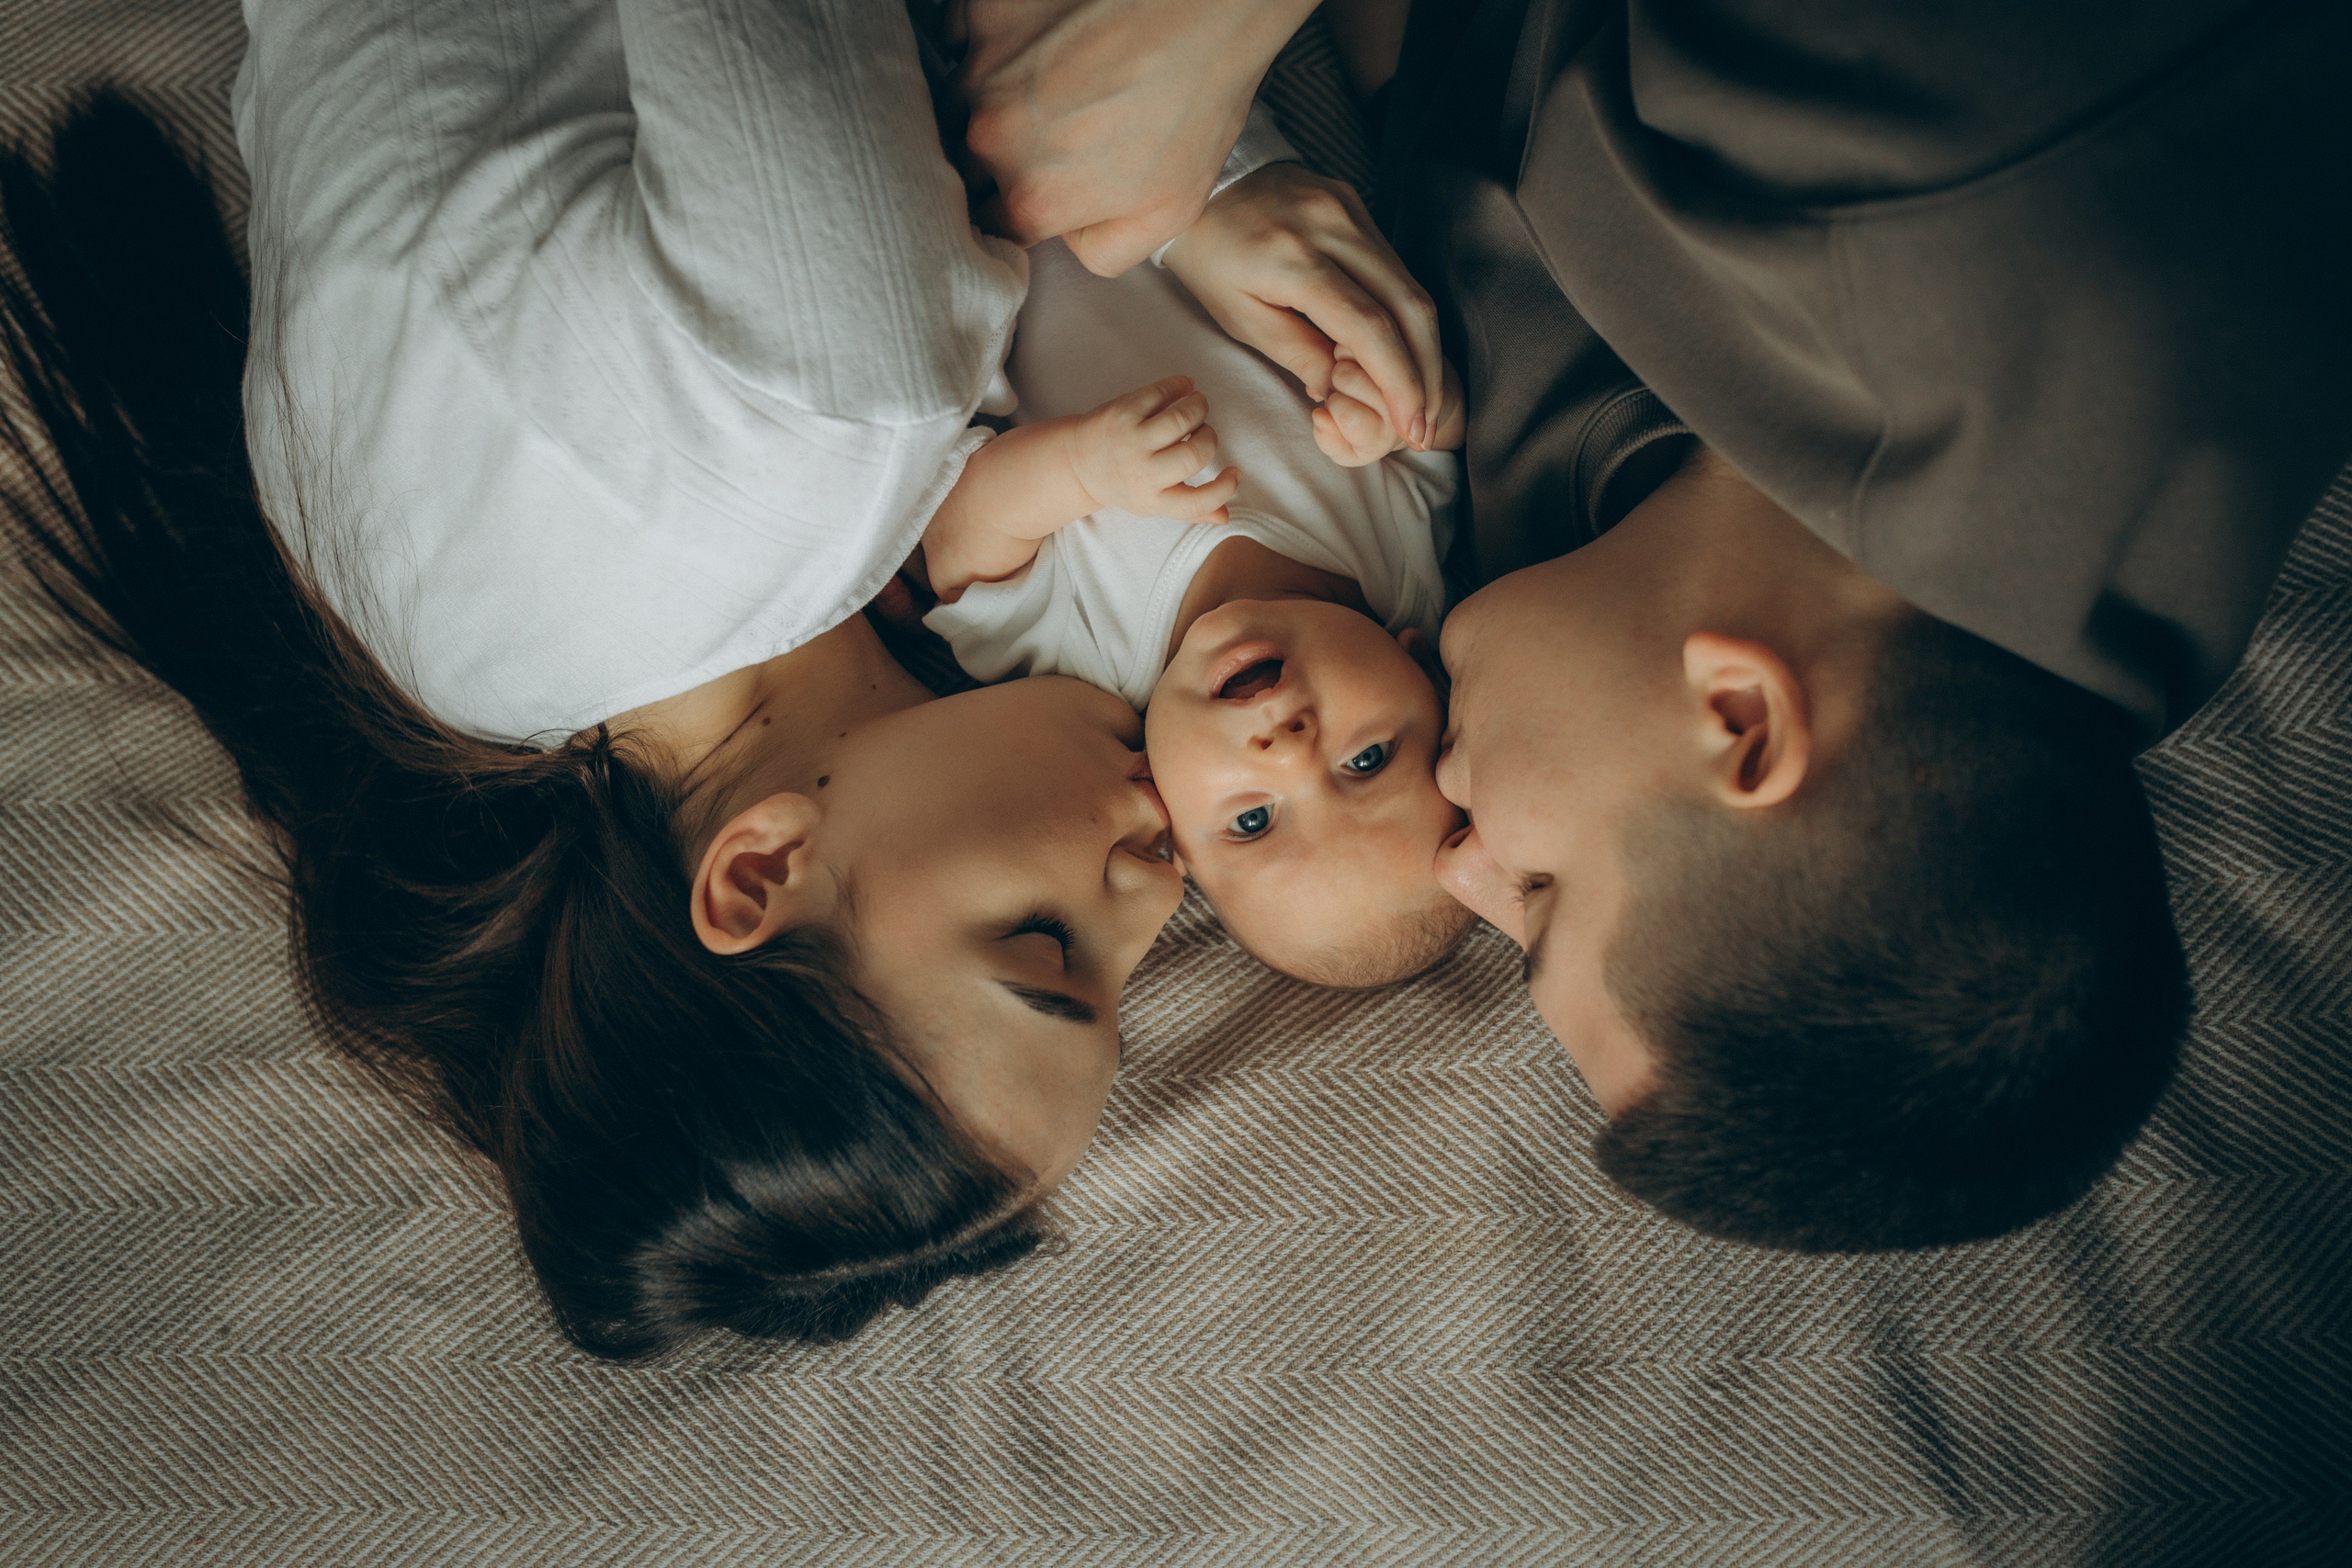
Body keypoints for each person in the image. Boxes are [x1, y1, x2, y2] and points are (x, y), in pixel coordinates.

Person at [0, 1, 1449, 1356]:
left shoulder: (832, 419)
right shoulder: (437, 670)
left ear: (759, 872)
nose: (1160, 878)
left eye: (1048, 944)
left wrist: (1181, 154)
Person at [953, 0, 2352, 1249]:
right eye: (1542, 896)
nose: (1466, 858)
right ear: (1740, 722)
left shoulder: (1602, 616)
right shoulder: (1990, 197)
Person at [919, 229, 1471, 987]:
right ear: (1419, 665)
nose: (1291, 750)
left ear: (1169, 824)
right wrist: (1389, 406)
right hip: (1177, 202)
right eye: (1366, 760)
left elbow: (956, 541)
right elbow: (1433, 431)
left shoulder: (1084, 678)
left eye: (1253, 821)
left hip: (970, 249)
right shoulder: (1401, 568)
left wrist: (1081, 466)